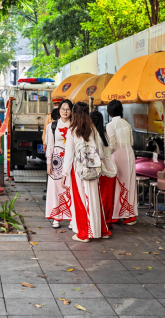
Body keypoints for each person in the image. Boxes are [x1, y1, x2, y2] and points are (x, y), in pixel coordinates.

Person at [62, 102, 112, 242]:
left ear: (74, 113)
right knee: (94, 199)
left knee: (80, 201)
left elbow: (69, 155)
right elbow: (101, 153)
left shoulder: (72, 131)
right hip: (94, 168)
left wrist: (64, 174)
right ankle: (100, 230)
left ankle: (84, 234)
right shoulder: (93, 129)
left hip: (78, 171)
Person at [106, 100, 138, 225]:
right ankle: (130, 215)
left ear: (109, 112)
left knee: (117, 185)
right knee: (129, 183)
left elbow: (112, 144)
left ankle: (116, 215)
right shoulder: (127, 124)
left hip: (117, 155)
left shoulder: (110, 125)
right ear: (121, 110)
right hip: (129, 153)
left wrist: (107, 154)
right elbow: (131, 142)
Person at [45, 99, 73, 228]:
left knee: (71, 188)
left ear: (71, 111)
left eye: (68, 109)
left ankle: (72, 217)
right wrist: (48, 163)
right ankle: (57, 217)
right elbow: (50, 145)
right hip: (56, 162)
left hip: (71, 161)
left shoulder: (75, 125)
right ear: (59, 110)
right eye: (63, 109)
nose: (65, 112)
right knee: (56, 189)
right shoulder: (52, 126)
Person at [91, 111, 118, 229]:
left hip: (102, 171)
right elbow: (111, 148)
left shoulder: (95, 134)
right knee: (108, 198)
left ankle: (102, 223)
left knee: (101, 198)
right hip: (111, 169)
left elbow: (100, 155)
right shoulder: (105, 134)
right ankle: (108, 221)